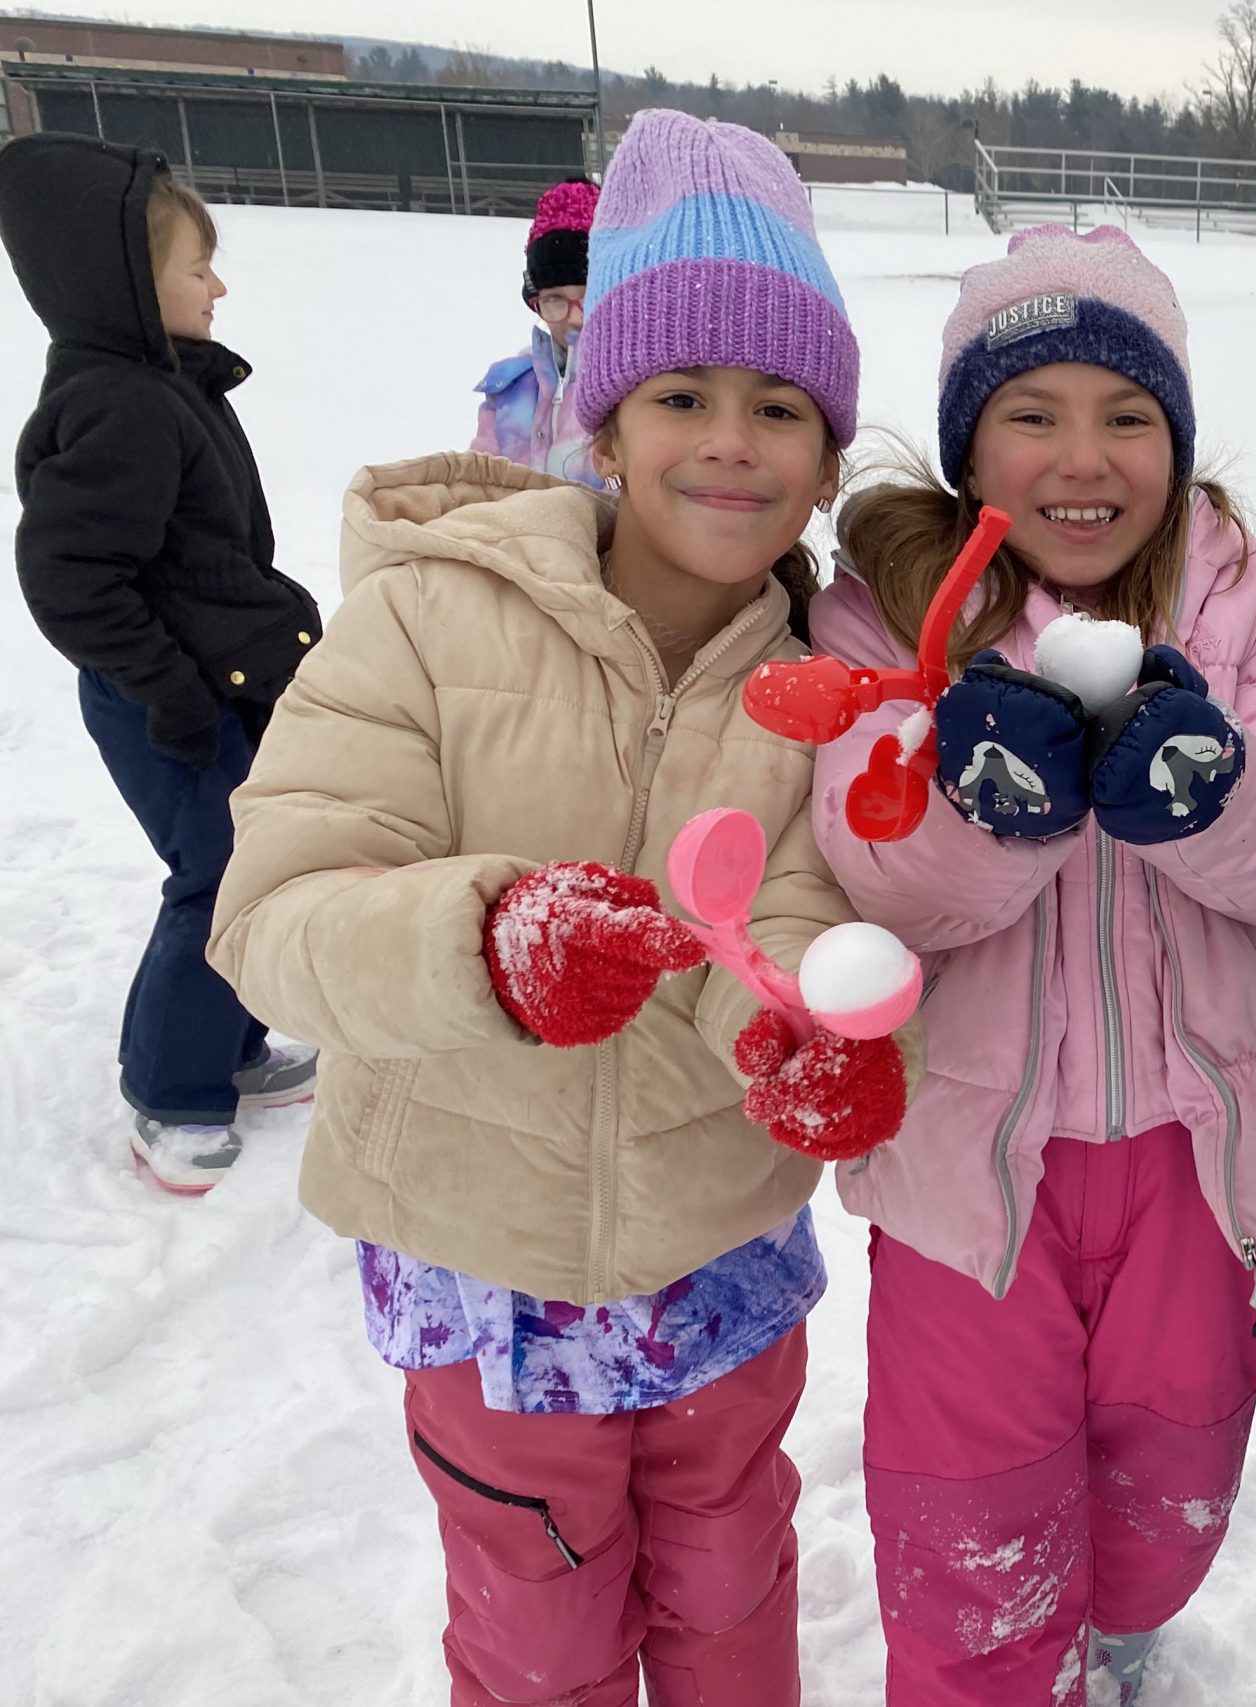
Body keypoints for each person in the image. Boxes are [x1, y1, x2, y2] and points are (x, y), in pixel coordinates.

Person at [208, 111, 902, 1706]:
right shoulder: (427, 618)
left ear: (825, 453)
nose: (730, 439)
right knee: (537, 1633)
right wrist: (484, 938)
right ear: (602, 423)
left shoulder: (818, 686)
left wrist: (792, 1031)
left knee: (735, 1597)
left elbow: (785, 909)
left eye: (778, 406)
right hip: (486, 1267)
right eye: (682, 395)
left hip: (716, 1265)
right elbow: (278, 910)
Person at [808, 222, 1256, 1705]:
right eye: (1032, 414)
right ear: (967, 447)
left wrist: (1210, 791)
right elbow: (879, 878)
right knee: (972, 1516)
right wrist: (991, 813)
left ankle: (1113, 1635)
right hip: (967, 1169)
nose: (1084, 456)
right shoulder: (892, 617)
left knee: (1164, 1484)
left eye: (1128, 417)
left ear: (1175, 444)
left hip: (1199, 1154)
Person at [0, 134, 325, 1189]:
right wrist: (174, 694)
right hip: (168, 698)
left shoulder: (161, 383)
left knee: (250, 867)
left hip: (214, 681)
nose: (218, 284)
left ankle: (226, 1048)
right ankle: (168, 1089)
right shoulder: (123, 404)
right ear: (128, 286)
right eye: (197, 268)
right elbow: (73, 579)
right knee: (217, 876)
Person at [472, 176, 608, 489]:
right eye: (555, 300)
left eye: (591, 296)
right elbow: (478, 482)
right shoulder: (509, 389)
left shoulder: (635, 391)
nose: (576, 318)